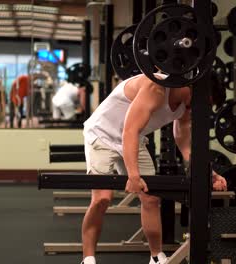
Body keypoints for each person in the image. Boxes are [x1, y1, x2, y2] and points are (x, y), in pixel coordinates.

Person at [81, 73, 228, 264]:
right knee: (102, 199)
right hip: (102, 135)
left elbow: (183, 141)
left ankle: (156, 257)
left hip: (134, 138)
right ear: (193, 88)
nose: (199, 107)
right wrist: (133, 175)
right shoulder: (156, 88)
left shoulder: (186, 104)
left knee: (150, 198)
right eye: (204, 101)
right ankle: (88, 258)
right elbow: (129, 130)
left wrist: (208, 172)